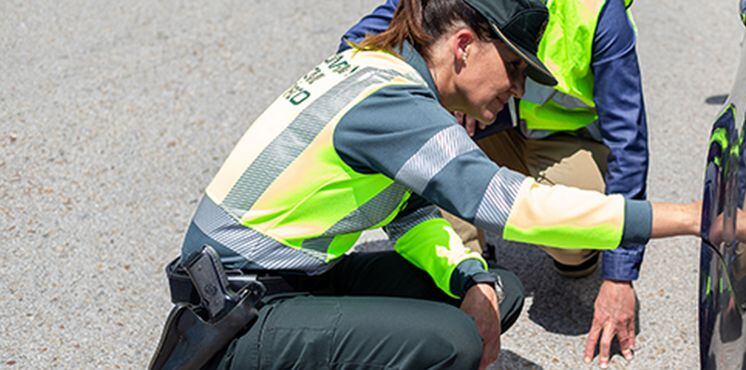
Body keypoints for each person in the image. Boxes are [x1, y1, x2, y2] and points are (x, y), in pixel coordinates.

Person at [157, 0, 701, 368]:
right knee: (454, 342)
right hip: (236, 314)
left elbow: (408, 214)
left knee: (494, 288)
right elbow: (510, 205)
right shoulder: (390, 101)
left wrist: (469, 276)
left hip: (293, 278)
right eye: (512, 67)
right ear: (464, 45)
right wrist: (694, 219)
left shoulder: (387, 67)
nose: (515, 88)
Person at [341, 1, 652, 366]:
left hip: (562, 142)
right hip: (481, 134)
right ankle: (466, 261)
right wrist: (441, 78)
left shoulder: (597, 13)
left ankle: (574, 253)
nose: (518, 86)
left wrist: (619, 276)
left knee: (579, 233)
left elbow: (627, 139)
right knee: (432, 90)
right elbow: (365, 40)